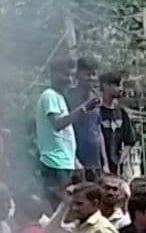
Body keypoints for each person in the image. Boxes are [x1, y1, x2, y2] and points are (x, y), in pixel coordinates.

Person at [35, 58, 99, 206]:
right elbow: (58, 124)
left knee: (72, 204)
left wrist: (74, 160)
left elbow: (66, 135)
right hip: (55, 163)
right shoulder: (49, 95)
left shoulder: (60, 97)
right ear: (53, 74)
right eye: (65, 75)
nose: (69, 79)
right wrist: (84, 109)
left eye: (71, 75)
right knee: (60, 206)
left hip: (65, 162)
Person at [67, 56, 106, 180]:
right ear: (78, 75)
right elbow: (65, 130)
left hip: (95, 163)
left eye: (94, 74)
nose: (91, 78)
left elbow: (98, 131)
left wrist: (104, 162)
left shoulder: (96, 98)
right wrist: (74, 159)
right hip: (76, 162)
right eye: (87, 74)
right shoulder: (68, 97)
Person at [99, 73, 136, 178]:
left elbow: (130, 141)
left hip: (116, 169)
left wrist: (120, 161)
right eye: (117, 85)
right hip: (99, 166)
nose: (121, 89)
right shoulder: (96, 111)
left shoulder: (121, 112)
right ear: (105, 86)